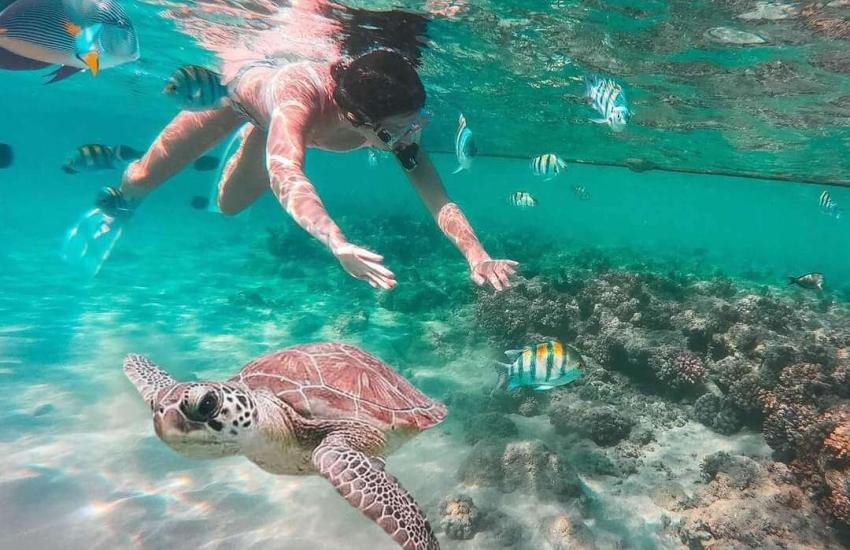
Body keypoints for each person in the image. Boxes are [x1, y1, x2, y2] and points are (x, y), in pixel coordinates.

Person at [79, 47, 518, 291]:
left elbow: (437, 196)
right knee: (141, 178)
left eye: (416, 122)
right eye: (398, 130)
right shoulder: (299, 101)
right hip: (238, 96)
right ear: (356, 120)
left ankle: (262, 133)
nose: (410, 136)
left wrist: (476, 254)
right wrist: (335, 241)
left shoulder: (392, 122)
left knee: (228, 206)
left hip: (281, 123)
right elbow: (286, 172)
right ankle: (119, 204)